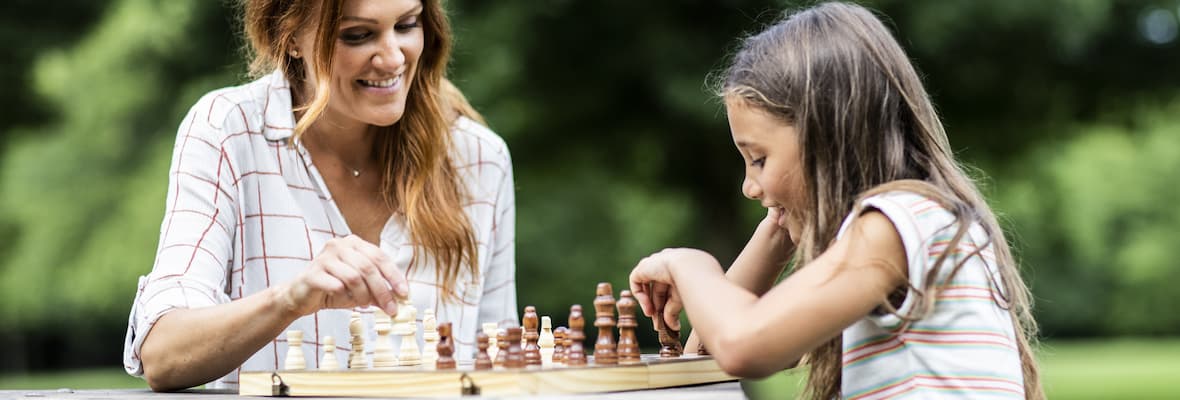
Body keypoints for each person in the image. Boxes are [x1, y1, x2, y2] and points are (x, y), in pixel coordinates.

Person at [628, 3, 1042, 399]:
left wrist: (689, 265)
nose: (749, 187)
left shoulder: (900, 224)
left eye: (758, 159)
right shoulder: (909, 227)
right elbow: (712, 354)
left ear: (826, 141)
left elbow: (741, 343)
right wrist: (775, 234)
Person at [122, 0, 517, 391]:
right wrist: (291, 298)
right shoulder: (226, 132)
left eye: (406, 25)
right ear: (290, 36)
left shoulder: (480, 159)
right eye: (358, 35)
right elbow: (164, 353)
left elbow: (506, 367)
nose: (393, 58)